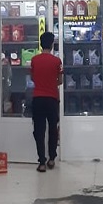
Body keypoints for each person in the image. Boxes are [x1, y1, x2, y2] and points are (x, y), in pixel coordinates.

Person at [29, 32, 62, 172]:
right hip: (52, 99)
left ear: (41, 44)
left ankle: (42, 162)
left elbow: (33, 78)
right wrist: (51, 83)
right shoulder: (57, 61)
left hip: (38, 98)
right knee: (53, 129)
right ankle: (52, 159)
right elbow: (60, 81)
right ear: (52, 44)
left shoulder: (34, 60)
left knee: (39, 131)